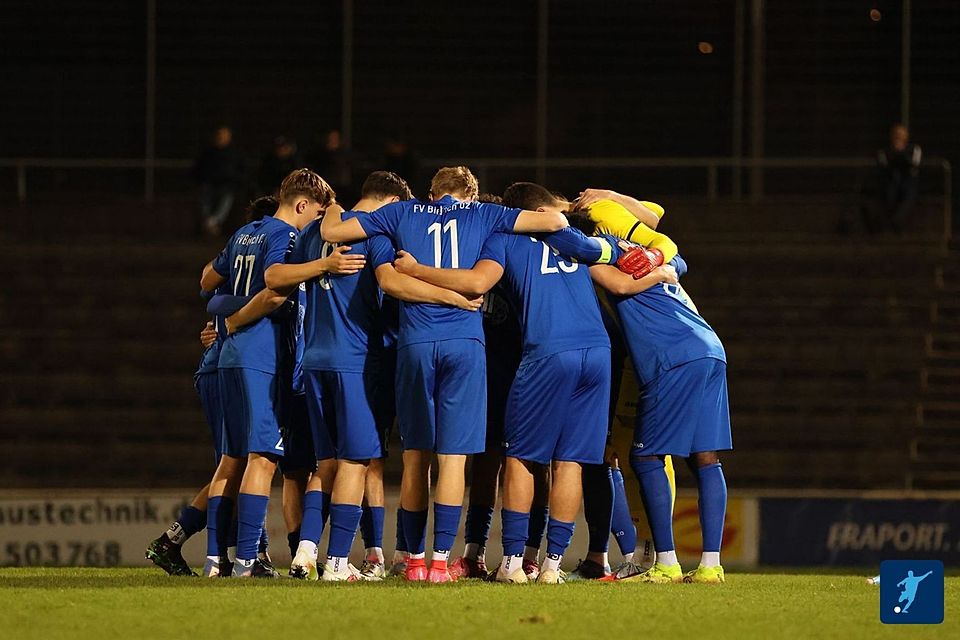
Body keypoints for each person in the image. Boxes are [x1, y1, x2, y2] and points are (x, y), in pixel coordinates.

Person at [320, 167, 570, 582]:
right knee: (454, 460)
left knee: (417, 456)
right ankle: (440, 563)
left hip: (415, 343)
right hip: (465, 345)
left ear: (432, 191)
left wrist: (332, 207)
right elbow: (555, 221)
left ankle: (414, 561)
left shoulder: (402, 213)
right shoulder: (483, 216)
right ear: (470, 195)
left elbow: (335, 234)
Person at [393, 181, 634, 584]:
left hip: (548, 350)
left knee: (520, 457)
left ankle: (512, 563)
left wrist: (416, 269)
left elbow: (476, 283)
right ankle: (553, 564)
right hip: (598, 352)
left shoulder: (505, 239)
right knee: (570, 461)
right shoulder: (578, 238)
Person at [199, 169, 334, 578]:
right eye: (318, 213)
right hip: (260, 353)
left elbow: (206, 279)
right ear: (301, 205)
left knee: (231, 459)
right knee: (263, 458)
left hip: (229, 357)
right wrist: (322, 265)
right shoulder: (286, 236)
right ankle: (246, 562)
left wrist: (225, 309)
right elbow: (275, 286)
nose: (318, 224)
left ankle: (214, 560)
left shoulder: (244, 232)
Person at [589, 234, 732, 585]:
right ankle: (711, 565)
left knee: (646, 457)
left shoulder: (599, 255)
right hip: (710, 347)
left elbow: (619, 287)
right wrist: (664, 267)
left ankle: (666, 562)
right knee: (705, 458)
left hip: (672, 356)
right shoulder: (651, 251)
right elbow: (660, 227)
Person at [194, 126, 244, 237]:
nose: (221, 138)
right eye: (219, 136)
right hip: (209, 184)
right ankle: (211, 223)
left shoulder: (234, 154)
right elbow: (198, 169)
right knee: (205, 196)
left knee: (227, 198)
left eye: (224, 136)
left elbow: (240, 171)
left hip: (226, 185)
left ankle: (212, 222)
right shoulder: (208, 153)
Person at [872, 124, 922, 234]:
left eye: (901, 135)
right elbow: (884, 165)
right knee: (888, 193)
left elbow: (914, 164)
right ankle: (890, 223)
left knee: (909, 195)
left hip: (908, 182)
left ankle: (897, 220)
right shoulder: (884, 151)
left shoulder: (914, 149)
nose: (898, 138)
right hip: (891, 181)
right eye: (896, 135)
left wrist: (900, 154)